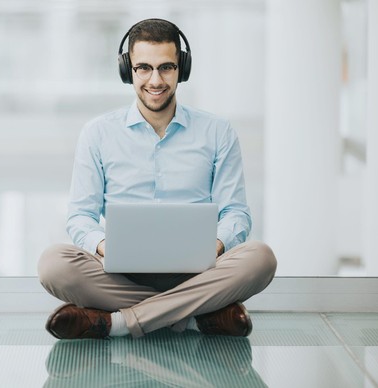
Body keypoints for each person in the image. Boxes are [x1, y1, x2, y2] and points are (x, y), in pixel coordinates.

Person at [38, 18, 277, 340]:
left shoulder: (217, 131)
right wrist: (105, 246)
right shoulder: (98, 133)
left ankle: (118, 323)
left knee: (260, 258)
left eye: (166, 67)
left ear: (182, 69)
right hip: (121, 275)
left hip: (199, 273)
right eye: (143, 68)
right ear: (128, 71)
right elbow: (81, 215)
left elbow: (236, 212)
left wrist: (215, 245)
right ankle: (194, 318)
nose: (155, 80)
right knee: (54, 264)